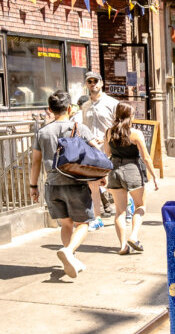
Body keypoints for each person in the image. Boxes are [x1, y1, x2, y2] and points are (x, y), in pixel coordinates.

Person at [29, 91, 98, 279]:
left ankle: (71, 259)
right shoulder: (79, 128)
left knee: (66, 224)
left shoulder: (42, 132)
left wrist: (33, 186)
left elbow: (36, 161)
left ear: (50, 110)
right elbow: (97, 151)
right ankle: (68, 252)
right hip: (75, 183)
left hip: (52, 185)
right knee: (83, 223)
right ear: (69, 108)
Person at [102, 102, 158, 255]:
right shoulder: (135, 133)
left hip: (114, 171)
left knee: (119, 211)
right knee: (140, 206)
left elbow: (106, 155)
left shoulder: (108, 132)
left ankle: (122, 246)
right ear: (130, 116)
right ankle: (133, 236)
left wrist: (103, 175)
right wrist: (154, 176)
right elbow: (146, 158)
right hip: (132, 170)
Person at [80, 71, 120, 220]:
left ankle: (125, 209)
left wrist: (108, 140)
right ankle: (97, 218)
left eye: (95, 81)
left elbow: (118, 126)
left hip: (109, 148)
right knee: (93, 185)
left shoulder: (112, 103)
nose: (93, 84)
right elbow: (84, 127)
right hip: (92, 150)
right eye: (89, 81)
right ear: (86, 84)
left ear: (101, 83)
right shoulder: (85, 106)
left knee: (113, 183)